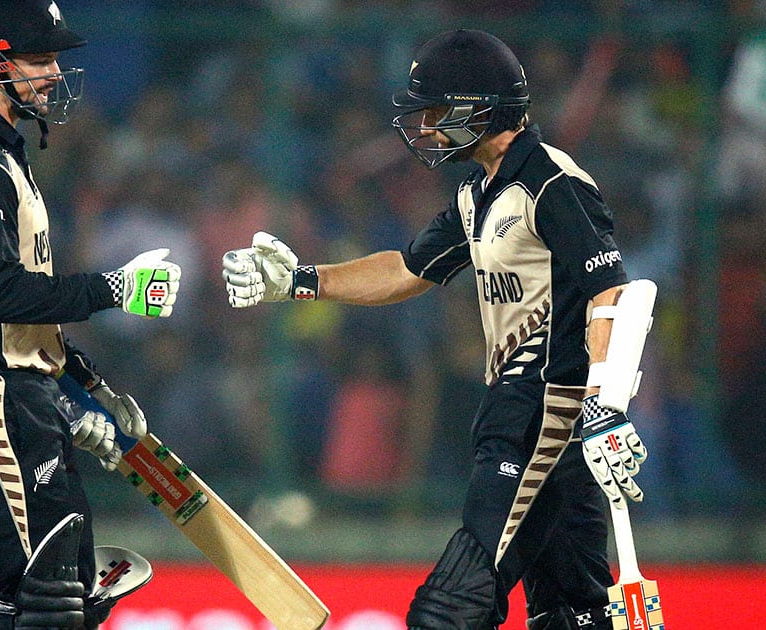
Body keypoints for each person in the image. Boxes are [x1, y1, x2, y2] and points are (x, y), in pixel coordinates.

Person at [222, 30, 653, 630]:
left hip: (543, 411)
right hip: (543, 415)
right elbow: (407, 269)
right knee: (572, 614)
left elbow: (613, 290)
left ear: (478, 108)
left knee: (451, 607)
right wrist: (300, 279)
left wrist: (607, 404)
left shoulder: (550, 181)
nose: (425, 126)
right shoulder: (478, 194)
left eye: (436, 110)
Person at [0, 1, 180, 628]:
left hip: (10, 389)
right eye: (39, 59)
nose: (55, 73)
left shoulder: (0, 150)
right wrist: (116, 288)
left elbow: (14, 312)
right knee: (45, 601)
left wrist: (84, 386)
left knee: (59, 600)